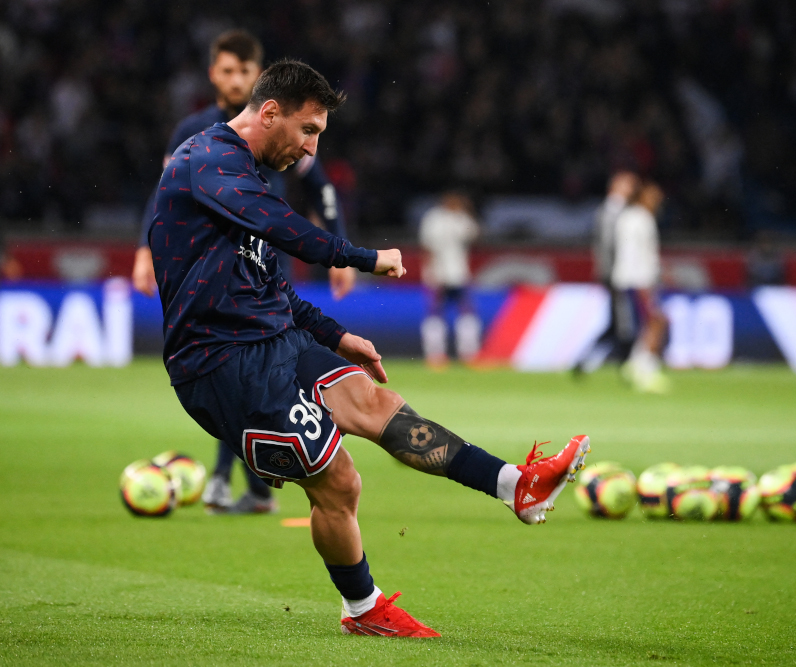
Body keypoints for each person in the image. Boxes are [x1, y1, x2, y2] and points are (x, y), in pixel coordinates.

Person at [149, 59, 590, 637]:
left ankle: (516, 486)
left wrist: (337, 336)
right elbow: (280, 225)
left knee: (378, 403)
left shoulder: (245, 179)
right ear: (270, 112)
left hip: (274, 340)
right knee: (339, 482)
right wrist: (362, 257)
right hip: (223, 362)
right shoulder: (204, 160)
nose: (310, 149)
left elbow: (273, 287)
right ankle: (362, 609)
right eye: (308, 130)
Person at [132, 30, 355, 514]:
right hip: (212, 263)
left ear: (259, 77)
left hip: (265, 258)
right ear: (213, 73)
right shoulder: (195, 131)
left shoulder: (281, 125)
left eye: (245, 72)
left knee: (260, 368)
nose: (236, 80)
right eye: (228, 71)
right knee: (233, 364)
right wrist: (144, 250)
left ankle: (245, 481)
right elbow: (164, 191)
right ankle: (236, 480)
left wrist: (337, 241)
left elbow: (321, 186)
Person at [574, 171, 639, 375]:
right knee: (623, 322)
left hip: (619, 274)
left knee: (616, 323)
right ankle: (625, 365)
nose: (632, 189)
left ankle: (585, 362)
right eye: (628, 184)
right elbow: (607, 246)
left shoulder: (619, 210)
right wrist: (612, 273)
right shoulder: (610, 211)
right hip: (616, 275)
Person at [612, 182, 669, 393]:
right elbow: (637, 255)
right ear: (642, 197)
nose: (657, 202)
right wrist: (646, 283)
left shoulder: (627, 217)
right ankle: (644, 369)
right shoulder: (642, 219)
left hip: (628, 280)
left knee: (647, 325)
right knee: (655, 322)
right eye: (653, 197)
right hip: (638, 280)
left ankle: (637, 365)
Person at [418, 192, 481, 368]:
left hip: (458, 273)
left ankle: (469, 354)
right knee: (435, 313)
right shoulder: (433, 218)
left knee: (467, 312)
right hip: (437, 272)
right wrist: (429, 272)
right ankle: (435, 355)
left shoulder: (461, 218)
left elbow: (474, 236)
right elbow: (426, 247)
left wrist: (467, 212)